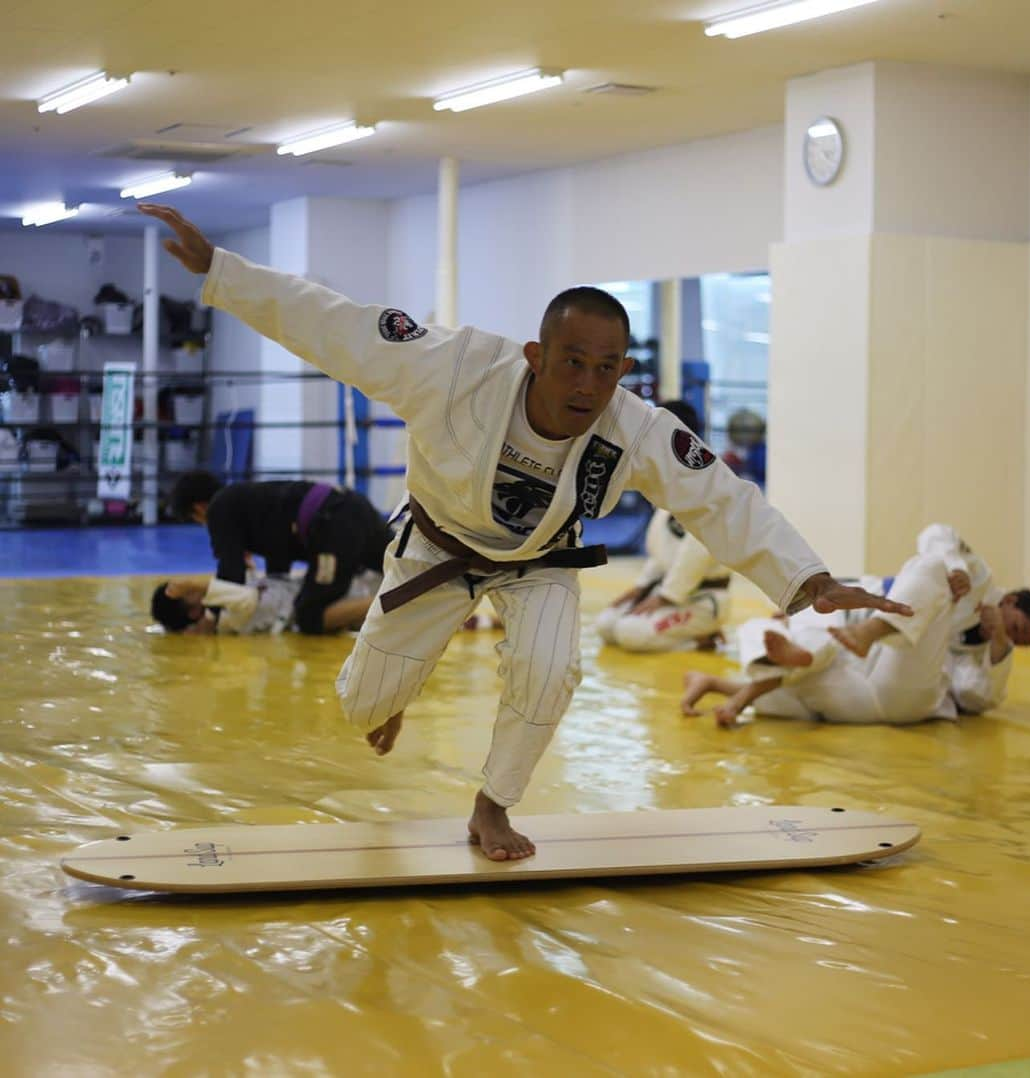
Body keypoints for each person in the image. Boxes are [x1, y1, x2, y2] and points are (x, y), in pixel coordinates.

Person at [139, 202, 910, 862]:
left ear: (623, 369)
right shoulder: (451, 367)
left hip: (542, 561)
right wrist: (222, 272)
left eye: (607, 368)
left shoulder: (633, 425)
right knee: (362, 705)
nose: (588, 384)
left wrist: (808, 579)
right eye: (572, 361)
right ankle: (392, 688)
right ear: (537, 354)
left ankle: (492, 807)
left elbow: (719, 496)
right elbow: (332, 326)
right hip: (436, 548)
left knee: (550, 669)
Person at [682, 523, 1030, 726]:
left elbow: (973, 700)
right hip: (858, 692)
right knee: (778, 639)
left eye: (1019, 641)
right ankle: (719, 685)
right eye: (1016, 628)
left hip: (905, 695)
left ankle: (860, 635)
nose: (1012, 639)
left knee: (929, 568)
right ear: (1009, 600)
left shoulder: (994, 652)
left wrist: (998, 640)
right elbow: (935, 534)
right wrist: (958, 566)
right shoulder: (977, 579)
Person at [169, 470, 392, 635]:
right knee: (406, 568)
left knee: (309, 616)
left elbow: (231, 570)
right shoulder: (248, 500)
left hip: (333, 525)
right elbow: (278, 559)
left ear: (198, 509)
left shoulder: (219, 508)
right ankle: (407, 597)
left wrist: (211, 619)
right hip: (349, 507)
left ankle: (395, 601)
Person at [595, 399, 731, 653]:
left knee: (630, 633)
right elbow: (662, 551)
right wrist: (640, 589)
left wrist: (665, 596)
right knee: (607, 624)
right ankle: (694, 631)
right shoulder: (670, 478)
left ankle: (703, 637)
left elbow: (697, 554)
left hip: (704, 597)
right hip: (670, 589)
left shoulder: (706, 480)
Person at [151, 570, 380, 635]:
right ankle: (387, 600)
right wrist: (197, 585)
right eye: (187, 592)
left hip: (304, 588)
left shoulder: (220, 607)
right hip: (320, 607)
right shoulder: (226, 622)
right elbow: (248, 599)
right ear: (192, 612)